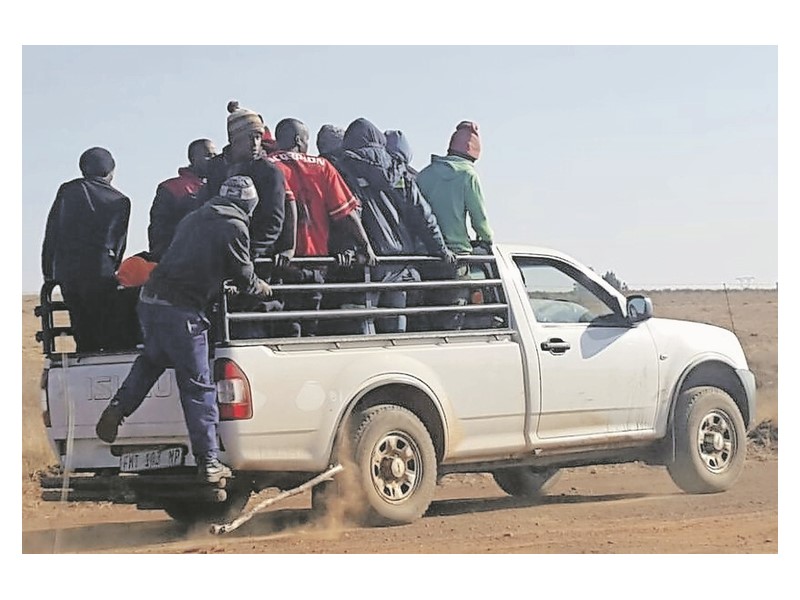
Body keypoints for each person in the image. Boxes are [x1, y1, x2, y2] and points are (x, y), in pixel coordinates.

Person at [95, 176, 273, 483]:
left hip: (151, 302)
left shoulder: (194, 217)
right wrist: (263, 288)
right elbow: (245, 276)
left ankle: (117, 409)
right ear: (250, 204)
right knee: (198, 386)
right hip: (182, 311)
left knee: (152, 361)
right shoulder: (234, 226)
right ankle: (208, 460)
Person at [333, 118, 455, 334]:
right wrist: (441, 249)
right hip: (400, 263)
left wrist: (348, 248)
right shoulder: (401, 172)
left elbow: (347, 213)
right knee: (396, 334)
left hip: (366, 263)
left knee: (363, 332)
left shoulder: (344, 169)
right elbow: (423, 216)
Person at [267, 118, 377, 336]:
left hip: (280, 263)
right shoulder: (323, 166)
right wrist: (366, 246)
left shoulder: (267, 165)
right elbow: (346, 213)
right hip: (316, 262)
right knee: (310, 330)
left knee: (284, 331)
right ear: (299, 140)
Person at [41, 147, 132, 353]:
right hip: (101, 271)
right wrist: (112, 268)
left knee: (80, 325)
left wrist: (48, 272)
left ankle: (85, 354)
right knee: (104, 323)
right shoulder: (120, 200)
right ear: (110, 171)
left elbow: (52, 233)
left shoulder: (69, 190)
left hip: (68, 271)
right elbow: (119, 243)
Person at [416, 121, 494, 330]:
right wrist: (487, 240)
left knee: (427, 315)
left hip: (424, 257)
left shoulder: (424, 174)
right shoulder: (468, 175)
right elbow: (479, 219)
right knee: (453, 316)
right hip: (456, 257)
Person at [148, 138, 217, 262]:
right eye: (208, 155)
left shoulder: (219, 187)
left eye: (215, 155)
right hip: (178, 259)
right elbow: (158, 229)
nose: (213, 160)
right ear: (193, 159)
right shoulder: (170, 187)